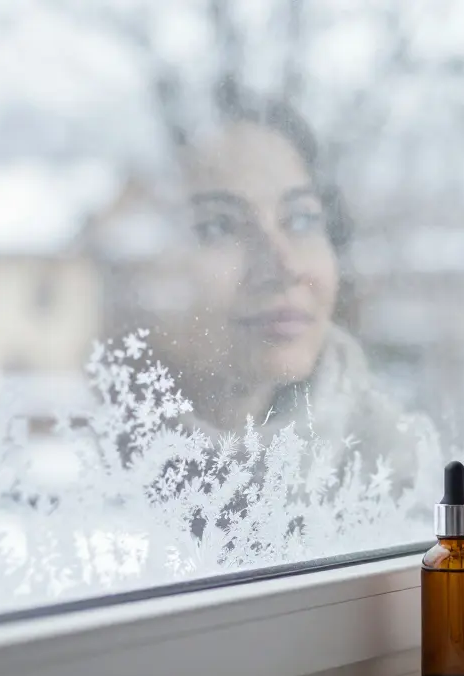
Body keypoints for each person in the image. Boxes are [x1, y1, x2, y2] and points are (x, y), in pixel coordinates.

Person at [106, 89, 426, 509]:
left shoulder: (397, 480)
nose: (285, 266)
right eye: (218, 226)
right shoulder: (77, 472)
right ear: (144, 268)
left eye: (300, 219)